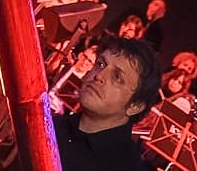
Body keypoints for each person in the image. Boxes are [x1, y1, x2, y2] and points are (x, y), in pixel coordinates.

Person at [52, 35, 161, 171]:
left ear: (135, 106)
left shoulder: (127, 167)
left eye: (117, 77)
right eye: (101, 64)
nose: (99, 75)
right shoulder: (50, 126)